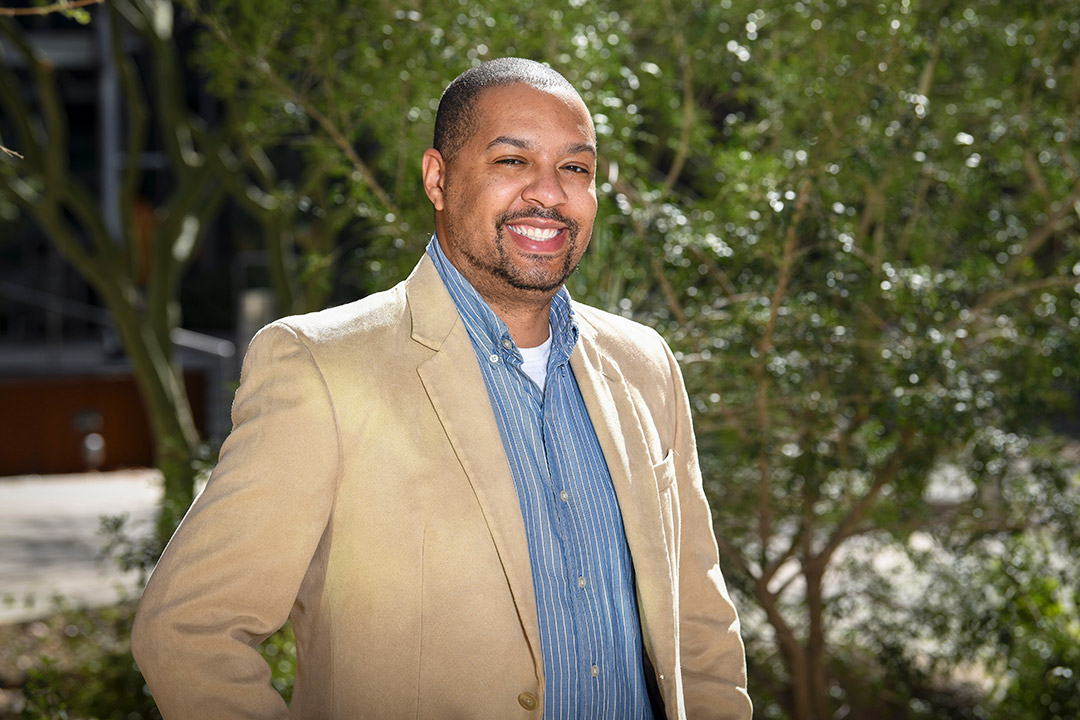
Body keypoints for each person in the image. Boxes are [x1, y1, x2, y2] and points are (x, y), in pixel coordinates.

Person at [131, 57, 752, 720]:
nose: (549, 193)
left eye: (576, 168)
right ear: (438, 178)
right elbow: (188, 631)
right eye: (512, 161)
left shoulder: (644, 365)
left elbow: (699, 627)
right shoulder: (322, 367)